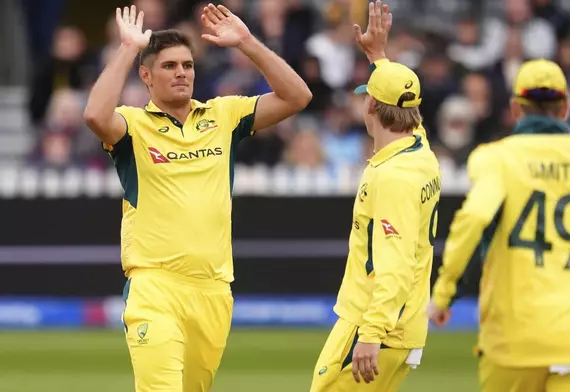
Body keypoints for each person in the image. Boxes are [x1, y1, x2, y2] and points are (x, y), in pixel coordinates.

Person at [83, 4, 311, 392]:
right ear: (147, 75)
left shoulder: (223, 116)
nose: (181, 73)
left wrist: (247, 43)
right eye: (169, 66)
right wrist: (127, 48)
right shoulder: (134, 125)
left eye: (187, 66)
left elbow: (297, 96)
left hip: (214, 289)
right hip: (155, 285)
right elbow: (94, 116)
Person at [428, 58, 570, 392]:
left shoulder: (494, 158)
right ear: (566, 107)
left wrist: (443, 295)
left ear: (515, 108)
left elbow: (474, 219)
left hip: (513, 341)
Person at [309, 2, 441, 391]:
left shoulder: (394, 177)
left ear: (369, 105)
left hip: (375, 324)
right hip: (403, 324)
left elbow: (395, 263)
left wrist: (371, 332)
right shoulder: (421, 151)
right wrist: (378, 57)